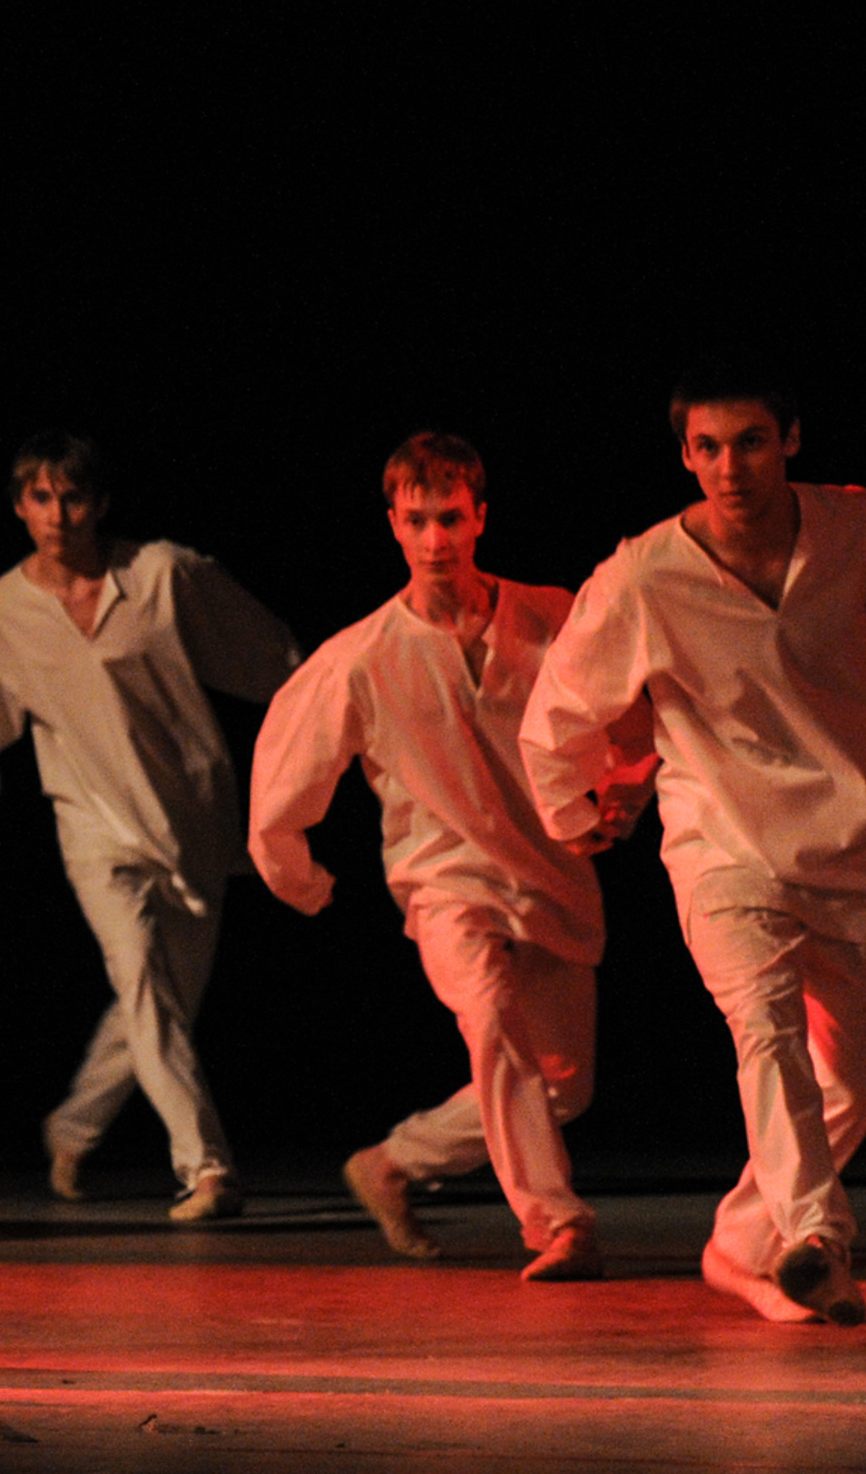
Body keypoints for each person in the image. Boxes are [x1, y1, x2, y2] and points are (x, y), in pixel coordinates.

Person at [249, 432, 655, 1278]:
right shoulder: (360, 657)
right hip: (443, 881)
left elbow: (634, 715)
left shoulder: (549, 616)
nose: (436, 539)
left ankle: (393, 1162)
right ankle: (558, 1222)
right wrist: (305, 882)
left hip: (550, 873)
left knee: (563, 1087)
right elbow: (283, 786)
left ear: (480, 519)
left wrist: (627, 785)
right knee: (493, 1021)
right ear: (393, 525)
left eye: (451, 519)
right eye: (417, 521)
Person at [523, 376, 866, 1328]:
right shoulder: (645, 575)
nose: (731, 468)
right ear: (684, 455)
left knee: (854, 1074)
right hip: (724, 845)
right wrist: (572, 815)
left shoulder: (852, 535)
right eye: (708, 448)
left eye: (751, 443)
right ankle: (817, 1236)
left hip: (850, 844)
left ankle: (743, 1244)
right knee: (766, 1028)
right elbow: (556, 714)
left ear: (792, 439)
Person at [0, 428, 300, 1219]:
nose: (58, 514)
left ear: (99, 503)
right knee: (141, 982)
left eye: (73, 496)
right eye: (42, 497)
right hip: (92, 825)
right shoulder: (3, 613)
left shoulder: (162, 576)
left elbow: (270, 653)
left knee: (159, 1002)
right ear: (19, 508)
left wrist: (325, 717)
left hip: (192, 818)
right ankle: (206, 1168)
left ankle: (73, 1124)